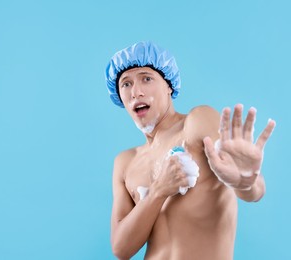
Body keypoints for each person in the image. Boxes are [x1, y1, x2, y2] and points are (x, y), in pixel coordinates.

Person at [105, 41, 276, 260]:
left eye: (146, 78)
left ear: (168, 85)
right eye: (126, 84)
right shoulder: (125, 162)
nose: (135, 92)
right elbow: (121, 248)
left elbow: (253, 190)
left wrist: (245, 181)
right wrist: (159, 191)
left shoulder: (196, 123)